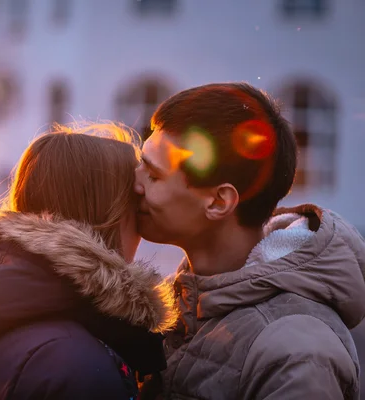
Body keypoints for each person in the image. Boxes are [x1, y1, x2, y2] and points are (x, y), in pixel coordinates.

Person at [134, 82, 365, 399]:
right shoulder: (192, 301)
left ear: (218, 202)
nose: (135, 182)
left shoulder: (296, 352)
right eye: (140, 161)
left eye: (154, 175)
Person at [0, 123, 178, 400]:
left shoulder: (4, 317)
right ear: (109, 217)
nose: (142, 228)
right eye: (136, 205)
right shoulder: (75, 364)